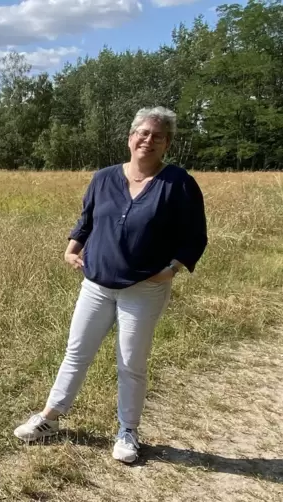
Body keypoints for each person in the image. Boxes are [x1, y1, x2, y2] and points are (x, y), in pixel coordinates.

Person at [13, 106, 208, 463]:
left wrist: (173, 269)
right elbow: (87, 219)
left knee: (130, 362)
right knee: (77, 353)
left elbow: (195, 237)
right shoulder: (104, 178)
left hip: (145, 289)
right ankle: (49, 418)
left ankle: (127, 432)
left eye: (158, 136)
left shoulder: (178, 184)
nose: (148, 140)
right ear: (131, 137)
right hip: (96, 284)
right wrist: (72, 248)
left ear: (168, 144)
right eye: (143, 133)